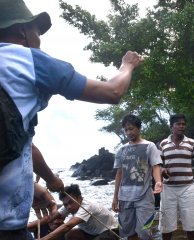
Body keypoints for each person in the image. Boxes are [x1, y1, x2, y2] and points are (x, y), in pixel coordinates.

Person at [0, 0, 142, 237]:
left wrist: (45, 181)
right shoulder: (26, 59)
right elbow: (112, 91)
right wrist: (126, 65)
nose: (40, 39)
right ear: (22, 31)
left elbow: (20, 142)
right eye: (37, 31)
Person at [112, 114, 162, 240]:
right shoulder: (121, 150)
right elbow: (119, 173)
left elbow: (156, 165)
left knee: (145, 231)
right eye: (126, 129)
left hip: (144, 197)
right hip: (125, 198)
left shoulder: (149, 146)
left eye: (131, 128)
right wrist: (115, 197)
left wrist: (158, 182)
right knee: (127, 232)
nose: (129, 132)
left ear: (139, 128)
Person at [159, 114, 194, 240]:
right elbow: (157, 165)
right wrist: (162, 169)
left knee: (191, 224)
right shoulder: (163, 144)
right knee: (166, 224)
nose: (181, 126)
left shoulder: (192, 143)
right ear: (171, 126)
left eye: (183, 124)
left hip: (187, 188)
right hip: (168, 188)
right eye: (178, 124)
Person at [41, 184, 118, 240]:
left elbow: (68, 226)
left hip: (109, 231)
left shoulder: (87, 206)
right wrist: (38, 224)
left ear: (79, 198)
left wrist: (45, 238)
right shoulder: (68, 206)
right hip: (90, 233)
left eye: (71, 202)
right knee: (69, 235)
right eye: (65, 204)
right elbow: (51, 218)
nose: (69, 207)